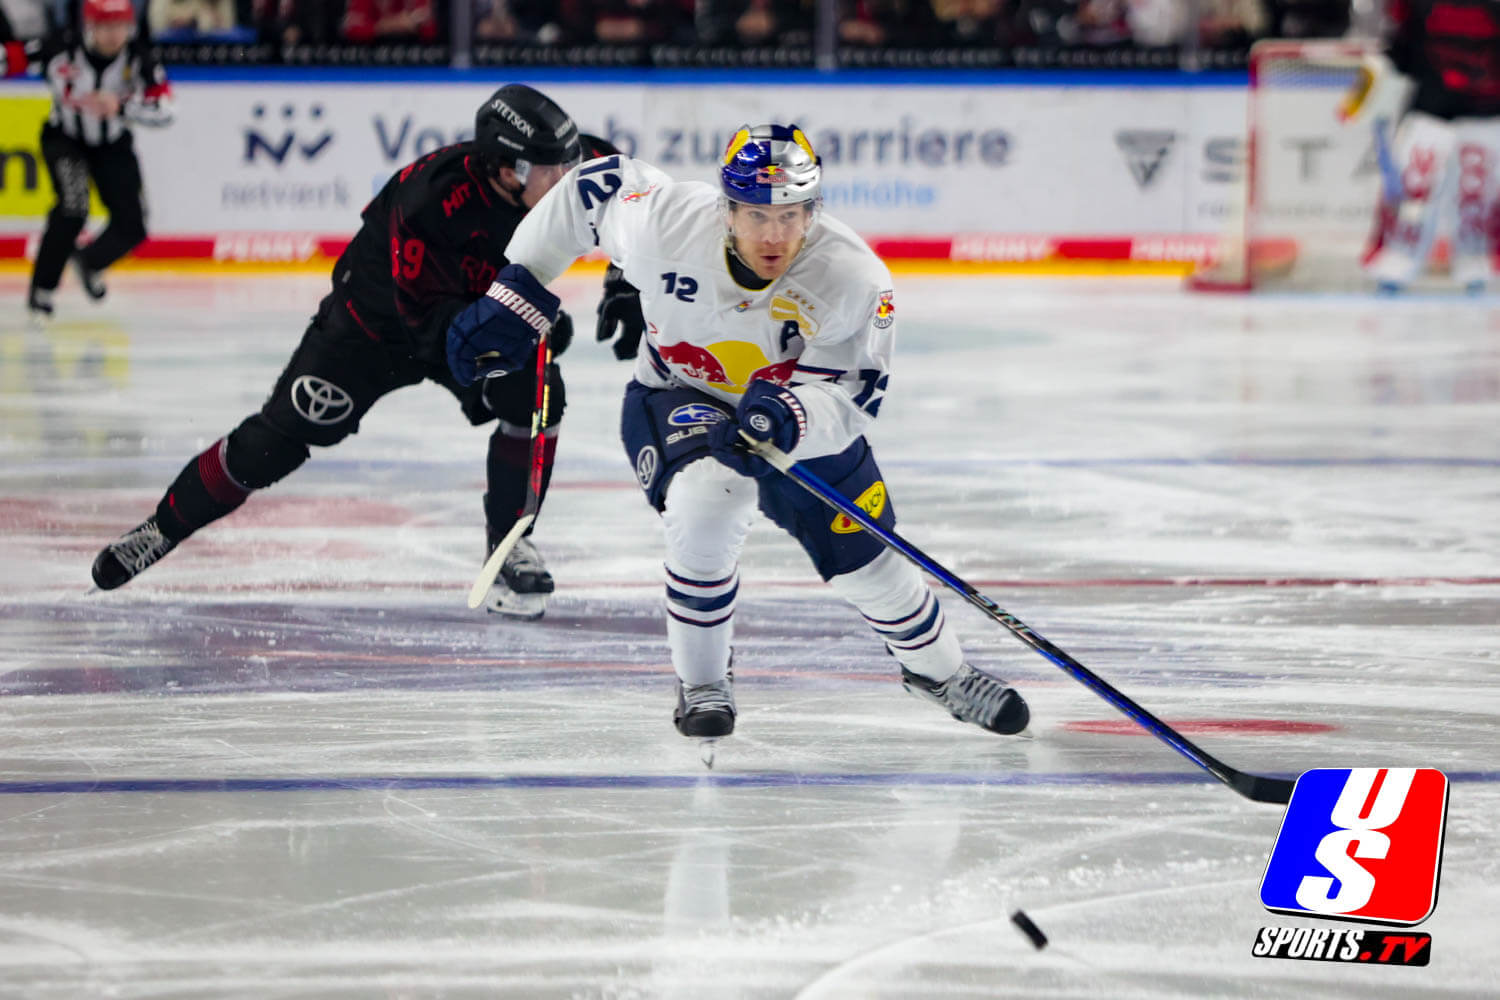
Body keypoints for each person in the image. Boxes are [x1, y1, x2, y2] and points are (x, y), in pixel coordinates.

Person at [454, 124, 1030, 742]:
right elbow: (590, 190)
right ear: (727, 208)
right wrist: (521, 286)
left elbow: (853, 394)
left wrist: (792, 416)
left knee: (872, 567)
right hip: (677, 394)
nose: (774, 234)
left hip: (791, 420)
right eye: (756, 213)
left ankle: (940, 674)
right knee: (708, 498)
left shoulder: (854, 278)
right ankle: (702, 682)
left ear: (814, 211)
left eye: (792, 214)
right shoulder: (666, 223)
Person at [90, 85, 622, 620]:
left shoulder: (570, 171)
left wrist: (626, 280)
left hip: (473, 313)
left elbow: (640, 199)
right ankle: (161, 529)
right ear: (508, 171)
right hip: (374, 330)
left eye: (572, 163)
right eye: (553, 170)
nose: (568, 181)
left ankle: (509, 548)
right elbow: (439, 338)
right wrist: (526, 321)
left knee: (537, 397)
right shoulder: (430, 203)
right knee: (272, 445)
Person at [2, 0, 172, 321]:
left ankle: (90, 262)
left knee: (132, 226)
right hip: (65, 139)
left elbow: (166, 110)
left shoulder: (139, 57)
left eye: (120, 27)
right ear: (89, 27)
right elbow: (12, 59)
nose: (113, 35)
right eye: (105, 27)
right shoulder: (60, 47)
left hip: (112, 145)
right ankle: (43, 291)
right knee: (72, 207)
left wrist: (121, 108)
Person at [1352, 0, 1500, 292]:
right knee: (1414, 189)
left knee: (1477, 197)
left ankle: (1477, 265)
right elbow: (1400, 50)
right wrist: (1366, 86)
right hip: (1430, 112)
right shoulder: (1419, 6)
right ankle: (1396, 262)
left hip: (1486, 114)